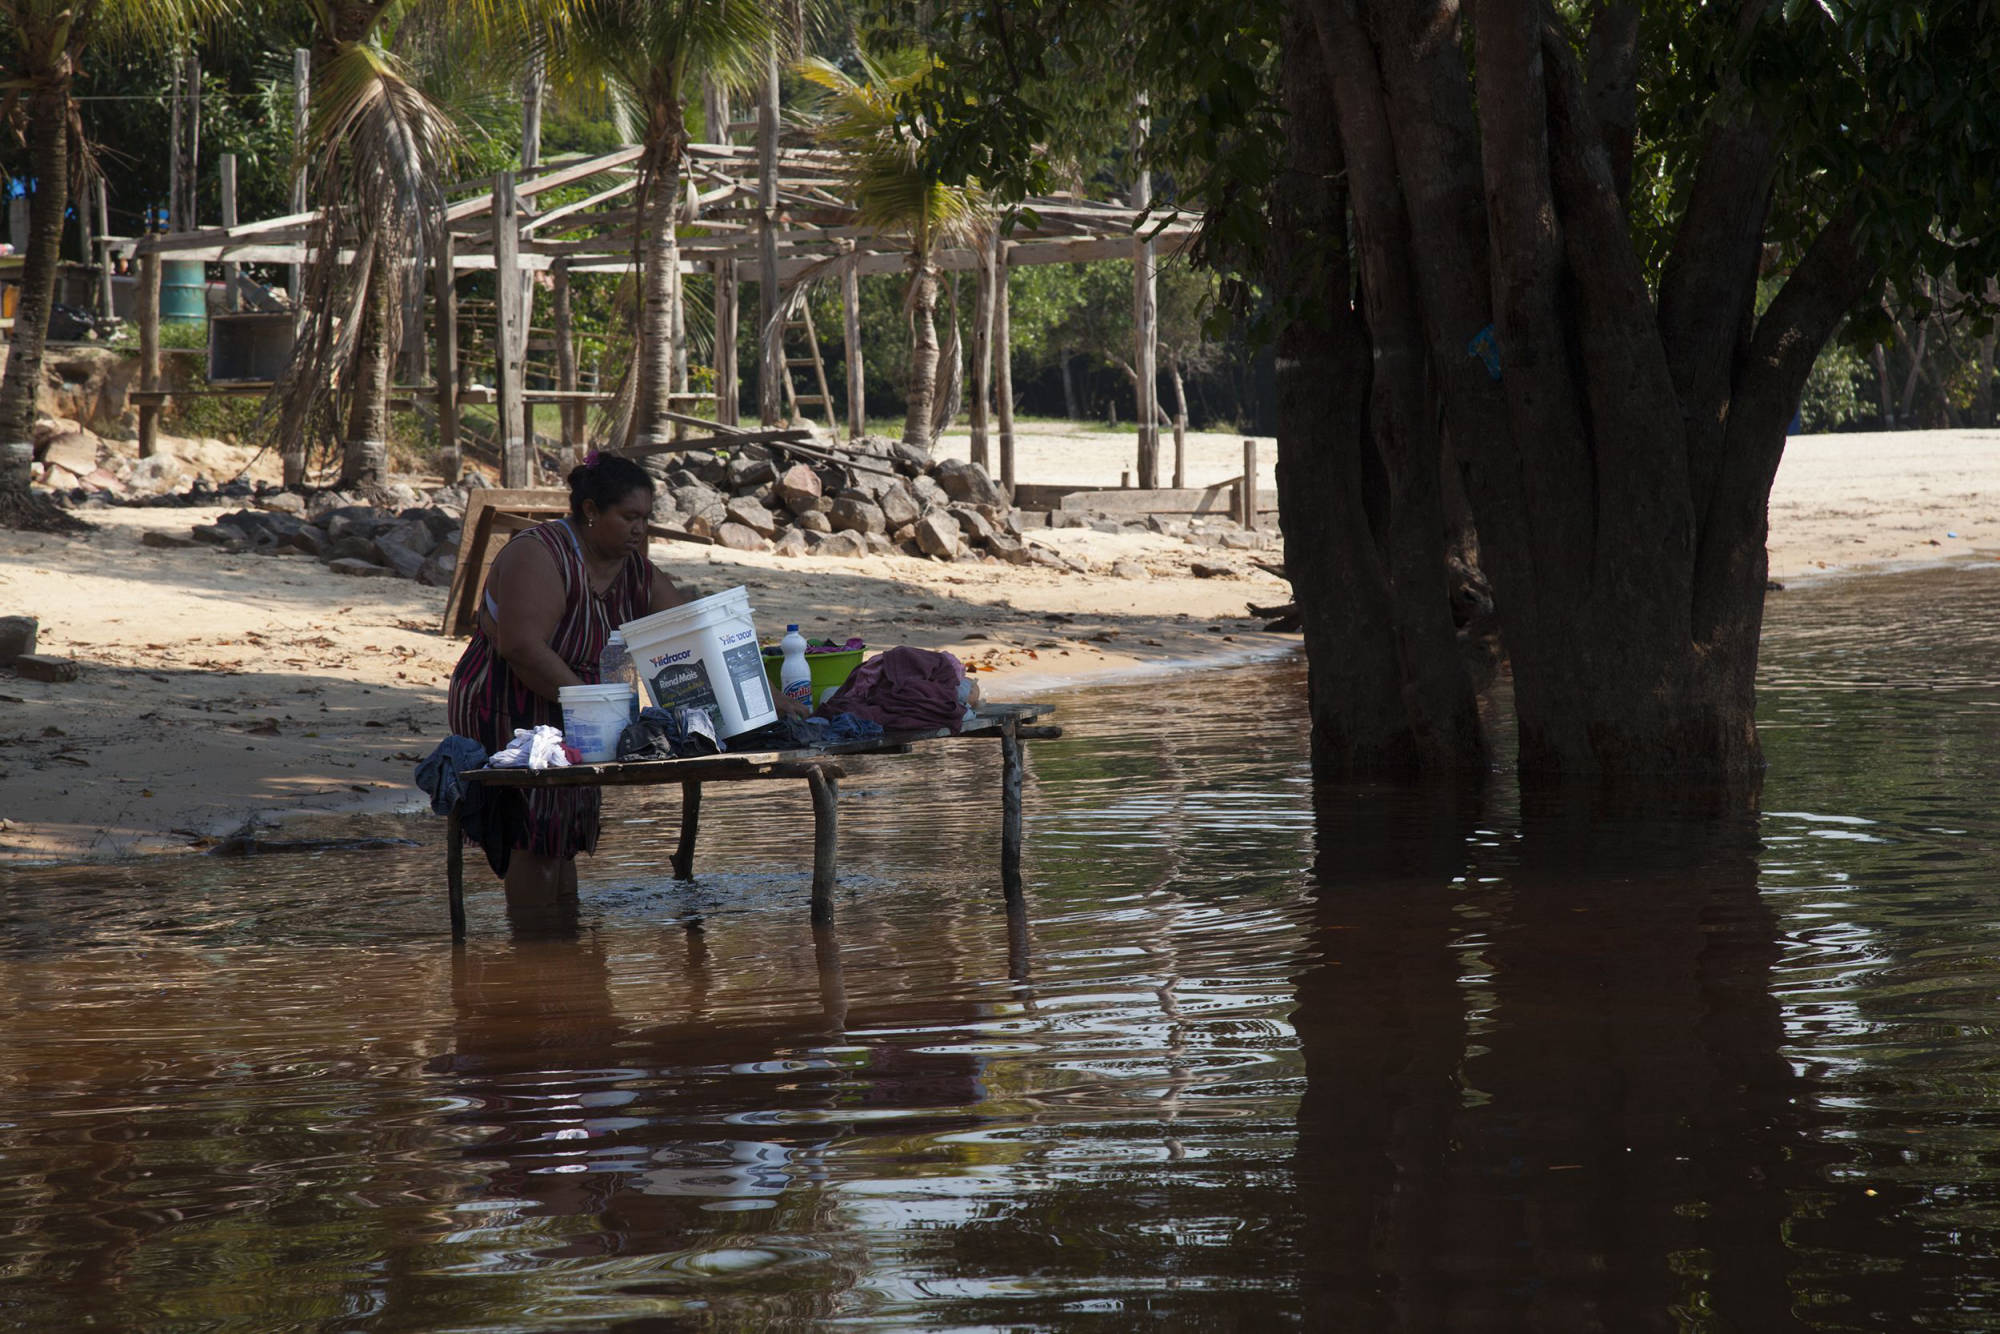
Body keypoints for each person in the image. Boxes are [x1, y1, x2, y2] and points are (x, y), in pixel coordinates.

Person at [448, 452, 685, 909]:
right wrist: (595, 705)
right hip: (506, 701)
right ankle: (537, 954)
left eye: (646, 519)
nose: (640, 529)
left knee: (566, 826)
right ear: (592, 510)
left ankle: (563, 942)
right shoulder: (539, 553)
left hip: (581, 707)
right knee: (533, 830)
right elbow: (522, 648)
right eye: (629, 517)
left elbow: (689, 633)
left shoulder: (635, 570)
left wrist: (768, 699)